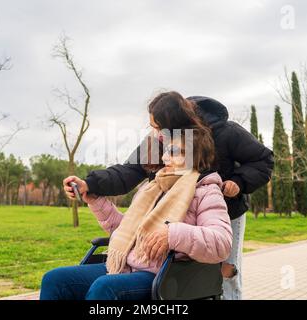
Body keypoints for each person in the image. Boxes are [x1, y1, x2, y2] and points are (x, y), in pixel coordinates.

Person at [64, 91, 274, 300]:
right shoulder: (160, 140)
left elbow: (263, 161)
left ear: (175, 124)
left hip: (225, 208)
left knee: (224, 275)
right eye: (153, 127)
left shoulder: (225, 133)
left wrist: (238, 182)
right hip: (173, 210)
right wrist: (90, 184)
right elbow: (130, 170)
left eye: (158, 127)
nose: (156, 135)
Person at [40, 125, 232, 300]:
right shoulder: (154, 186)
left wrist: (172, 234)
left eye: (173, 152)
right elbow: (126, 230)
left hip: (164, 275)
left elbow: (221, 242)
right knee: (54, 279)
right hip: (125, 265)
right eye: (166, 150)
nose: (164, 157)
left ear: (194, 155)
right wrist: (94, 199)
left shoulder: (206, 191)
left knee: (105, 288)